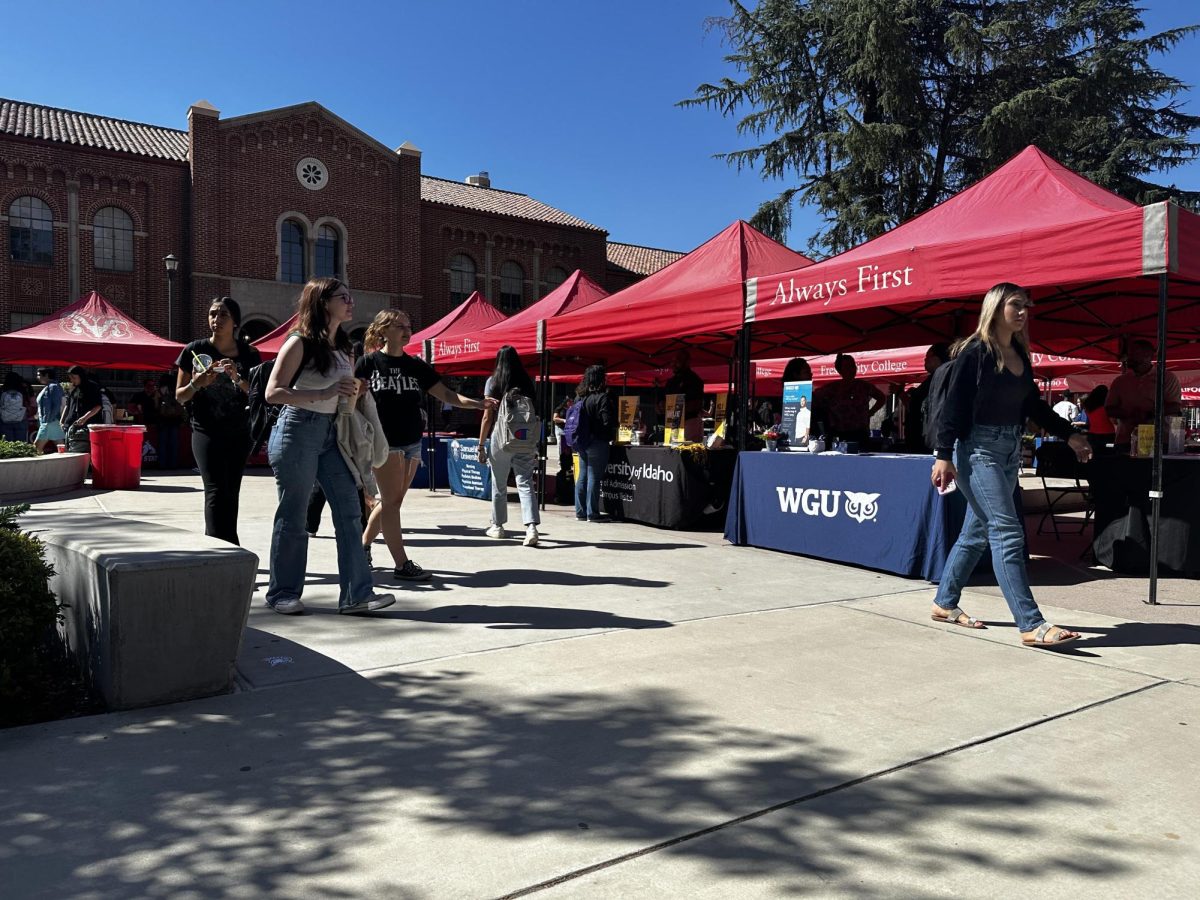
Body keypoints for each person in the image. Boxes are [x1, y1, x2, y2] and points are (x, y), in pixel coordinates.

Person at [930, 282, 1091, 649]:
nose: (1022, 312)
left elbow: (1034, 407)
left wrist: (1069, 434)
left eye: (1026, 306)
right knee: (1007, 531)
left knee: (977, 533)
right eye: (1015, 305)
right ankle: (1031, 624)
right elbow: (953, 408)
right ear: (995, 307)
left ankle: (944, 602)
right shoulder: (976, 352)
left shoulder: (1019, 353)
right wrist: (943, 454)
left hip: (1007, 451)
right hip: (977, 451)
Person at [263, 277, 394, 616]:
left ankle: (356, 594)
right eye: (343, 297)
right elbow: (273, 392)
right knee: (294, 514)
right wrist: (324, 393)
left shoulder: (345, 345)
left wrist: (356, 390)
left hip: (330, 433)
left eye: (351, 296)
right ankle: (282, 593)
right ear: (323, 303)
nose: (351, 302)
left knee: (350, 510)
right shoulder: (299, 341)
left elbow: (339, 394)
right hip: (297, 430)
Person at [356, 308, 495, 581]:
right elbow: (355, 400)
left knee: (391, 502)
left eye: (408, 325)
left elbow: (446, 394)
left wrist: (479, 403)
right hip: (384, 443)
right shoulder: (368, 363)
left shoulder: (416, 365)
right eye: (399, 325)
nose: (407, 330)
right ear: (383, 331)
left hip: (411, 442)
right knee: (392, 503)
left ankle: (362, 546)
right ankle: (401, 564)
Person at [175, 297, 262, 545]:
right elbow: (180, 396)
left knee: (231, 491)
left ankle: (228, 549)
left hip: (239, 432)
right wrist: (197, 383)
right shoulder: (194, 349)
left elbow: (259, 394)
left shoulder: (249, 354)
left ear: (235, 321)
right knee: (214, 491)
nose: (216, 319)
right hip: (206, 431)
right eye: (213, 314)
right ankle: (218, 550)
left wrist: (238, 378)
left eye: (223, 314)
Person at [478, 346, 541, 546]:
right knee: (525, 481)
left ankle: (497, 526)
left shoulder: (493, 382)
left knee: (499, 482)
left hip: (501, 436)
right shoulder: (527, 382)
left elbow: (488, 416)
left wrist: (481, 444)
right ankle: (531, 527)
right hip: (524, 436)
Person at [1105, 339, 1183, 449]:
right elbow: (1109, 408)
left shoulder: (1166, 378)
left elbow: (1175, 406)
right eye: (1129, 353)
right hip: (1126, 440)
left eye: (1135, 353)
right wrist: (1128, 414)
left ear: (1149, 356)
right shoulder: (1120, 381)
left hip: (1158, 441)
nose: (1129, 357)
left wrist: (1148, 414)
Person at [812, 353, 886, 444]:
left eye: (853, 365)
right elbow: (813, 398)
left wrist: (871, 412)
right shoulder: (832, 388)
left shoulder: (864, 386)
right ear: (840, 370)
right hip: (838, 434)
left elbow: (882, 397)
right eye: (847, 366)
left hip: (860, 433)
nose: (852, 369)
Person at [574, 364, 615, 521]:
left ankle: (580, 512)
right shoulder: (602, 398)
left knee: (582, 476)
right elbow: (607, 421)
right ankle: (593, 513)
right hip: (597, 441)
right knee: (593, 477)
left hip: (581, 441)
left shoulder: (580, 397)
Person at [904, 343, 950, 452]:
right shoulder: (941, 377)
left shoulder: (939, 378)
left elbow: (914, 405)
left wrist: (901, 394)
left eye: (927, 357)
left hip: (930, 440)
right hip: (933, 438)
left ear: (936, 358)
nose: (925, 360)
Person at [664, 349, 705, 442]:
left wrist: (677, 406)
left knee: (688, 452)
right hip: (672, 423)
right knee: (672, 453)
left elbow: (697, 404)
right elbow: (663, 403)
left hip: (689, 423)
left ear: (687, 362)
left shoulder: (694, 380)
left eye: (677, 361)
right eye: (672, 361)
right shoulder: (670, 382)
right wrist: (661, 405)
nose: (673, 364)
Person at [61, 365, 103, 451]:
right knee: (71, 451)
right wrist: (62, 420)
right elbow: (67, 405)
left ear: (81, 376)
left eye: (74, 378)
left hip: (86, 427)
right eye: (70, 378)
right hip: (71, 426)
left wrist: (84, 418)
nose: (72, 380)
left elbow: (98, 406)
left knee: (81, 451)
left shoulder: (92, 387)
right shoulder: (72, 388)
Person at [32, 368, 65, 453]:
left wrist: (48, 420)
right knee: (61, 448)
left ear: (46, 375)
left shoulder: (53, 386)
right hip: (52, 421)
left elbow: (57, 404)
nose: (37, 377)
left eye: (39, 375)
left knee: (36, 448)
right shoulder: (51, 386)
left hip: (49, 422)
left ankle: (35, 465)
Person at [156, 374, 185, 469]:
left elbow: (156, 405)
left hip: (163, 419)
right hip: (175, 419)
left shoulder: (160, 391)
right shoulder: (176, 389)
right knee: (174, 443)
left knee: (162, 443)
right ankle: (173, 464)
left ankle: (162, 464)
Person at [1081, 384, 1115, 456]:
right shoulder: (1106, 407)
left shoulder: (1089, 407)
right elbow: (1113, 421)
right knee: (1108, 458)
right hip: (1108, 435)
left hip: (1092, 435)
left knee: (1094, 458)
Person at [1, 372, 30, 443]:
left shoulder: (2, 390)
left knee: (7, 443)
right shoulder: (22, 390)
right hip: (21, 419)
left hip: (5, 420)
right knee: (20, 443)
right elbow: (27, 403)